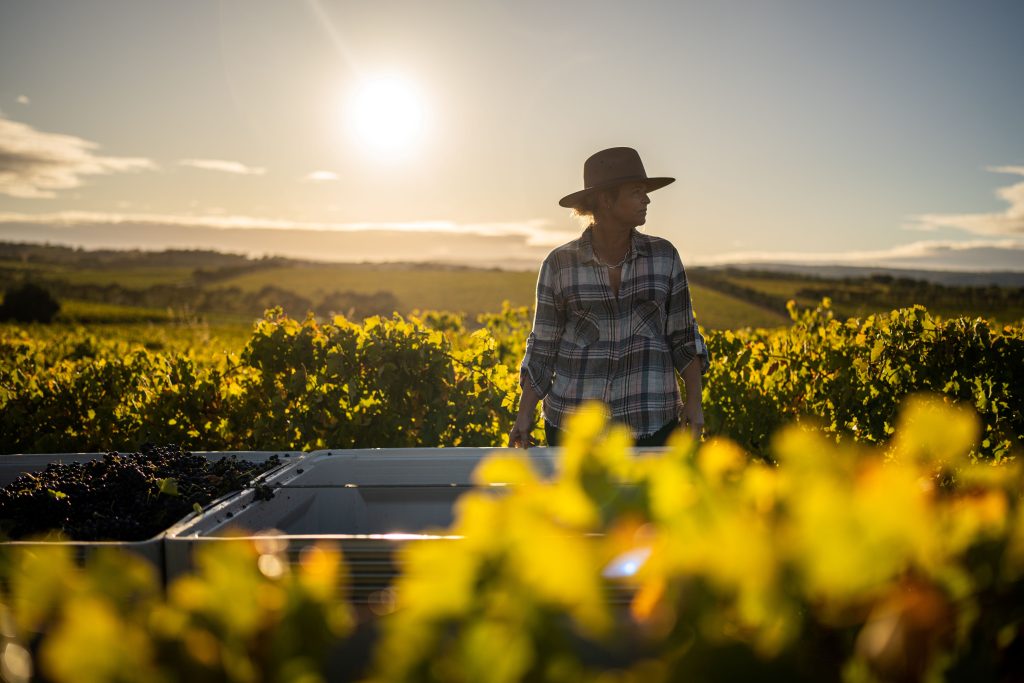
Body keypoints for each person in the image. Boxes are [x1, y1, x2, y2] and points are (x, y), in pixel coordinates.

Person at [508, 147, 709, 448]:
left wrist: (694, 401)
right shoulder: (559, 264)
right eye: (637, 192)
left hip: (652, 423)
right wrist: (524, 413)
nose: (647, 200)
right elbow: (543, 347)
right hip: (574, 428)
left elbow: (684, 337)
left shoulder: (664, 257)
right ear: (605, 199)